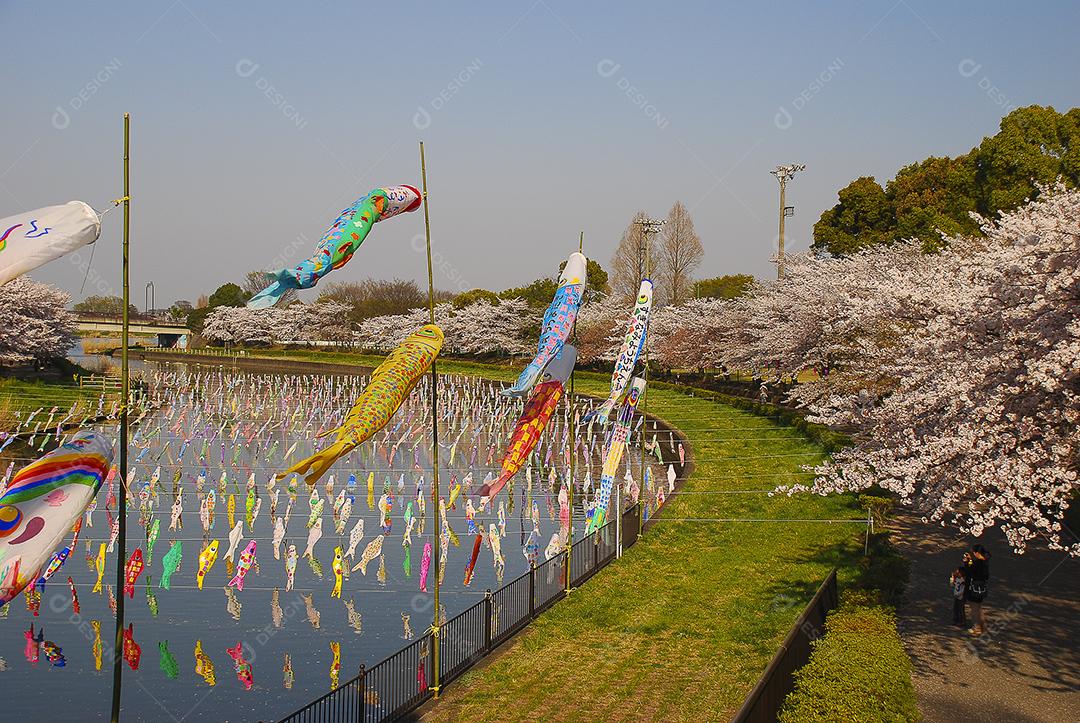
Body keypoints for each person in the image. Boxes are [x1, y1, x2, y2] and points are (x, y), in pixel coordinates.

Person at [965, 544, 991, 635]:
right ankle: (983, 627)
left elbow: (969, 572)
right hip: (981, 587)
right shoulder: (985, 562)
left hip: (974, 588)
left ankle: (977, 628)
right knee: (979, 608)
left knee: (974, 609)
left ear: (977, 553)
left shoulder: (977, 563)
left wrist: (968, 562)